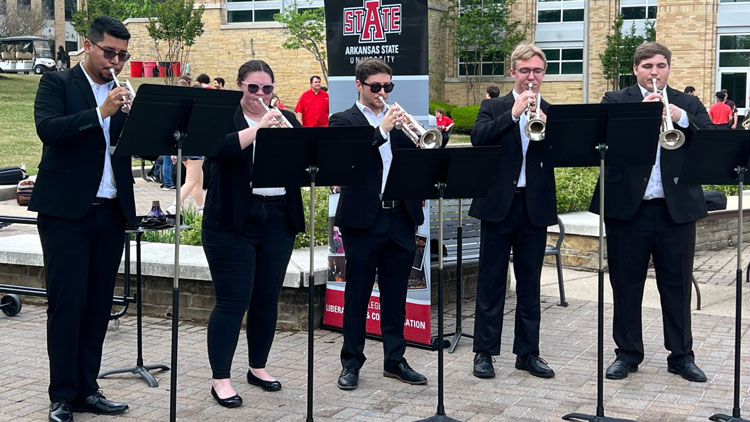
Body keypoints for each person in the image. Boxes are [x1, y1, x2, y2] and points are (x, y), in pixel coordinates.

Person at [32, 16, 136, 422]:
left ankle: (88, 389)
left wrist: (143, 122)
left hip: (110, 212)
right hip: (65, 214)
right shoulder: (58, 83)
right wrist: (100, 111)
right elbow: (49, 130)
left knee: (97, 305)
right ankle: (62, 395)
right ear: (88, 46)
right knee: (67, 304)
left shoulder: (122, 92)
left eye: (123, 55)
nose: (116, 61)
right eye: (109, 52)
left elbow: (132, 149)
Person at [590, 42, 711, 383]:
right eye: (647, 66)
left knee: (676, 287)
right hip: (628, 209)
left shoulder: (687, 103)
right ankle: (627, 354)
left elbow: (713, 137)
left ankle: (681, 356)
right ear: (636, 70)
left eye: (660, 66)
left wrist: (680, 118)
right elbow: (601, 143)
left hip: (676, 210)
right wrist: (641, 117)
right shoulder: (615, 101)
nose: (654, 72)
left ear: (668, 68)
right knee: (626, 286)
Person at [201, 59, 305, 407]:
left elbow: (303, 162)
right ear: (240, 87)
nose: (260, 94)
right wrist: (260, 126)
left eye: (267, 89)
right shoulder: (223, 117)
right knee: (233, 301)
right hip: (232, 220)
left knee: (266, 298)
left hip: (277, 217)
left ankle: (257, 367)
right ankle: (221, 379)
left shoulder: (286, 119)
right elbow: (218, 151)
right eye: (253, 88)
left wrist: (291, 135)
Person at [330, 58, 427, 391]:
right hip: (362, 219)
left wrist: (417, 138)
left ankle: (394, 360)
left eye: (388, 86)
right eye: (376, 87)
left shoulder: (399, 122)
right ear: (358, 85)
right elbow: (348, 162)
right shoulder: (343, 120)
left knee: (396, 295)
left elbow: (417, 162)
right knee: (357, 293)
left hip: (399, 216)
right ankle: (351, 362)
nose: (382, 92)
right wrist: (381, 130)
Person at [469, 44, 557, 380]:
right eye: (525, 71)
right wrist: (515, 114)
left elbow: (560, 155)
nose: (531, 78)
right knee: (491, 283)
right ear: (513, 72)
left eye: (536, 71)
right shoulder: (493, 106)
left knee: (530, 284)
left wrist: (552, 131)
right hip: (498, 206)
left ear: (542, 73)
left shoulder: (549, 109)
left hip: (533, 206)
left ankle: (528, 353)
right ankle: (484, 352)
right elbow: (478, 138)